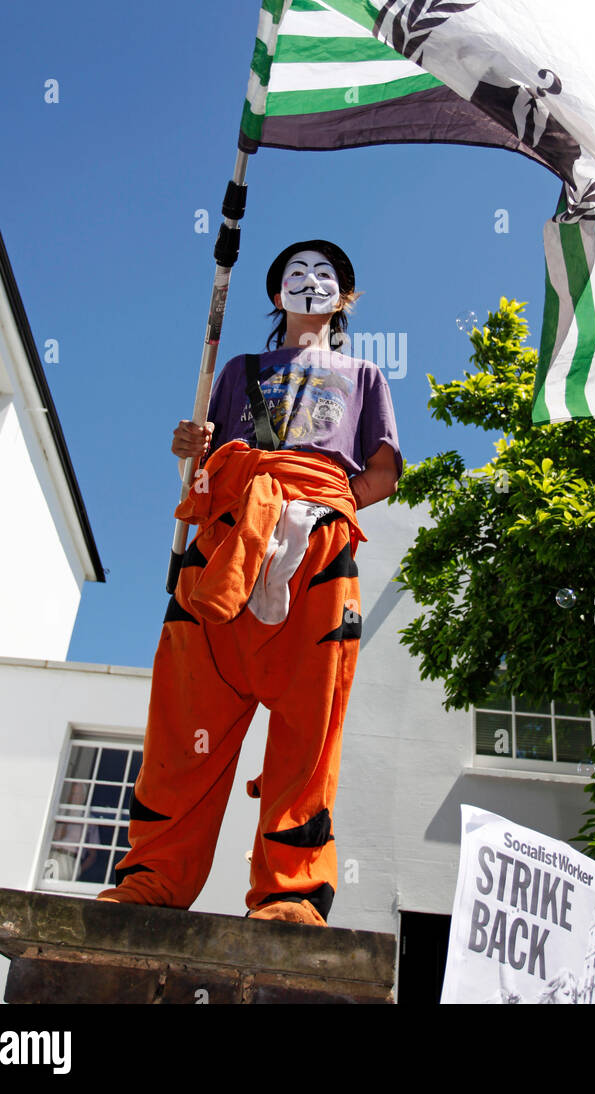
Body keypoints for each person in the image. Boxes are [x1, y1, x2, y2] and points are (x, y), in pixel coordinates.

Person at [97, 240, 402, 925]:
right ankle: (153, 878)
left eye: (326, 275)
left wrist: (319, 506)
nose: (311, 282)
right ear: (275, 297)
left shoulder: (365, 376)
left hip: (318, 549)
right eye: (295, 273)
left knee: (309, 726)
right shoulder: (237, 371)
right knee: (186, 721)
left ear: (346, 298)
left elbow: (381, 472)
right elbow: (200, 479)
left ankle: (291, 894)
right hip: (227, 546)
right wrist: (193, 456)